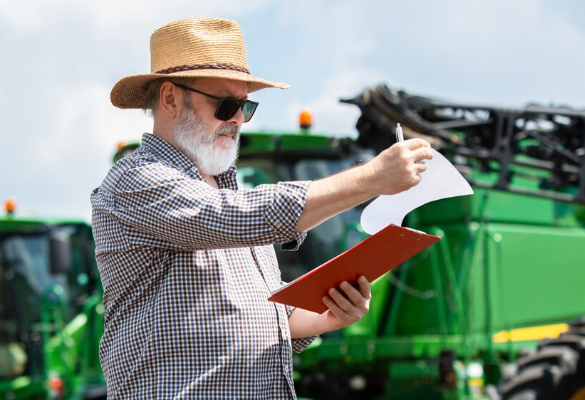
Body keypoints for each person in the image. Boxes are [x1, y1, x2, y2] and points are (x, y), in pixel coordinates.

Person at [91, 17, 433, 399]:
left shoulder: (226, 190)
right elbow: (235, 217)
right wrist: (371, 178)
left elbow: (266, 313)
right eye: (226, 104)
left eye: (245, 106)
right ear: (170, 98)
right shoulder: (137, 179)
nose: (237, 119)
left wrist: (327, 315)